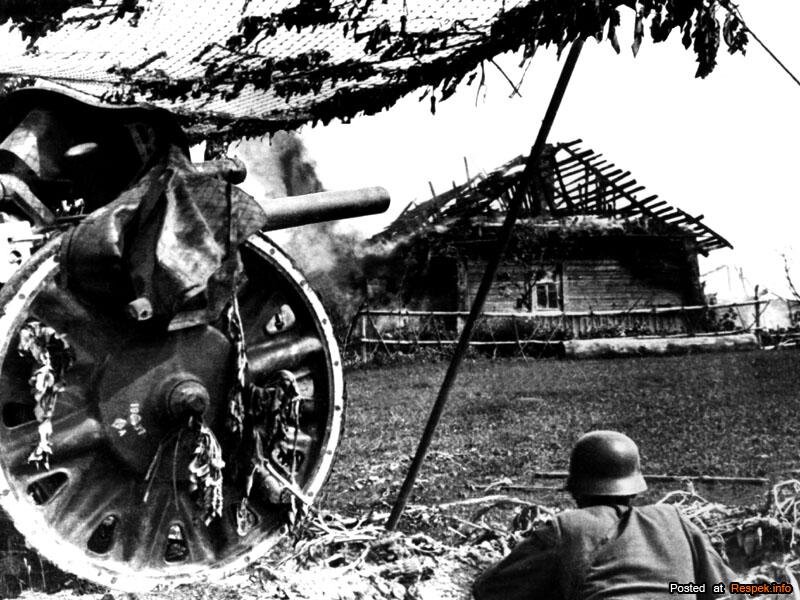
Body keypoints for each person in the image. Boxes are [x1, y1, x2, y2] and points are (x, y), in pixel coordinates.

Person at [472, 430, 739, 600]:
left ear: (576, 490)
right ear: (634, 488)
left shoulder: (567, 528)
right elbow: (726, 589)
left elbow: (489, 589)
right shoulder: (673, 520)